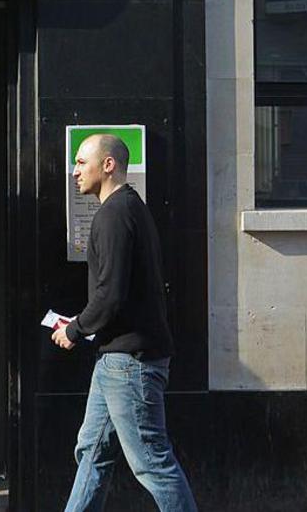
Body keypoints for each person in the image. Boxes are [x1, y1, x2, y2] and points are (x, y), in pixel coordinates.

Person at [52, 134, 196, 512]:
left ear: (109, 165)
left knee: (151, 462)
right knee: (93, 450)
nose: (75, 171)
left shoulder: (114, 214)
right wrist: (86, 326)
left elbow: (110, 294)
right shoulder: (130, 208)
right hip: (116, 358)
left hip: (129, 363)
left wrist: (74, 329)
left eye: (82, 162)